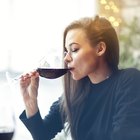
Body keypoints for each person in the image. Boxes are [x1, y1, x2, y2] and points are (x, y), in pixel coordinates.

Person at [19, 15, 140, 140]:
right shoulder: (75, 93)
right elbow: (42, 136)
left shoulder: (129, 80)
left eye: (74, 49)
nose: (66, 58)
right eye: (66, 51)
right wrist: (30, 101)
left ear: (100, 48)